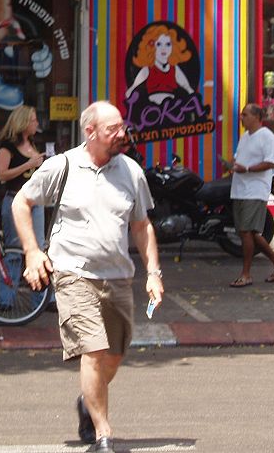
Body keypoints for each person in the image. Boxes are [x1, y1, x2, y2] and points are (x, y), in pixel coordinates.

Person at [12, 101, 164, 453]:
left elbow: (142, 226)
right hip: (73, 274)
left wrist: (153, 272)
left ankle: (87, 401)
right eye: (113, 130)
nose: (122, 135)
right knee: (93, 350)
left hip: (118, 277)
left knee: (114, 355)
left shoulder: (130, 171)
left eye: (122, 128)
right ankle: (103, 435)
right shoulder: (62, 166)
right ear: (90, 132)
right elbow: (22, 202)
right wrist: (33, 252)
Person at [227, 103, 274, 287]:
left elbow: (270, 162)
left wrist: (247, 169)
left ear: (256, 117)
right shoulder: (245, 136)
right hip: (239, 188)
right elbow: (238, 157)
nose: (242, 118)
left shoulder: (266, 136)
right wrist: (232, 165)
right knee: (248, 232)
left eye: (245, 114)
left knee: (247, 231)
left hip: (255, 189)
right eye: (241, 115)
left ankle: (246, 274)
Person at [0, 106, 45, 306]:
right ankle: (6, 299)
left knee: (39, 248)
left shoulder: (32, 143)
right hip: (15, 199)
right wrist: (28, 165)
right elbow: (1, 174)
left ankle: (41, 299)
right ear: (24, 122)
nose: (36, 124)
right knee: (15, 250)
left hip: (36, 201)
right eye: (33, 120)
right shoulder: (7, 147)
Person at [125, 24, 194, 105]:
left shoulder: (174, 69)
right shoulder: (148, 69)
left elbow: (187, 87)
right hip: (152, 110)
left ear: (173, 47)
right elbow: (133, 88)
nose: (163, 49)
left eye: (168, 44)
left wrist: (194, 97)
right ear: (151, 47)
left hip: (170, 109)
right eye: (159, 44)